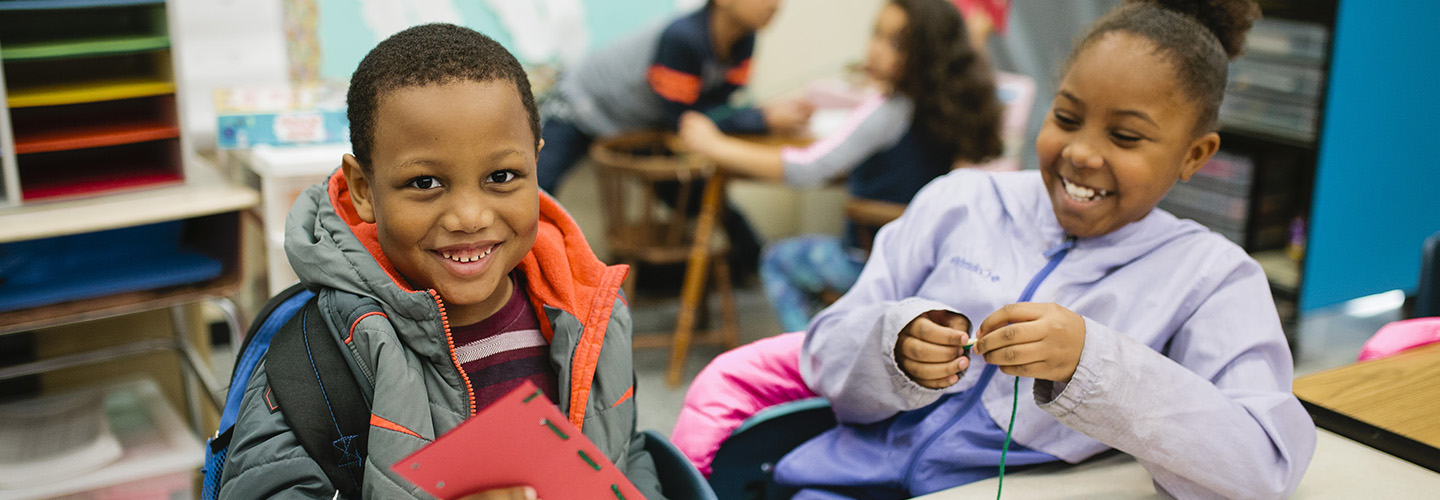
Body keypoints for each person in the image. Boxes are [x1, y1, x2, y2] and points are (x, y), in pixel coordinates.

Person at [681, 1, 1319, 498]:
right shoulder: (960, 202)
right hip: (834, 485)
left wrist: (1094, 366)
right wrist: (892, 346)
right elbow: (823, 352)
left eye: (1126, 136)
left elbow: (1262, 468)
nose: (1081, 152)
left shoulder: (1212, 280)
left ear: (1194, 156)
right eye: (1066, 118)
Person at [218, 24, 664, 499]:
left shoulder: (589, 315)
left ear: (536, 165)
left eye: (502, 175)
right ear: (364, 190)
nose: (470, 218)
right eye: (425, 183)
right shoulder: (319, 359)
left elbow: (623, 454)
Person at [678, 0, 1003, 333]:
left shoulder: (888, 113)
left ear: (927, 53)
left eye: (894, 43)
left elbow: (808, 167)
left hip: (868, 261)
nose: (875, 50)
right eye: (876, 34)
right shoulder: (947, 111)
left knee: (775, 259)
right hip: (924, 264)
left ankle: (810, 353)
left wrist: (715, 146)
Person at [540, 0, 811, 281]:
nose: (776, 4)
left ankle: (755, 261)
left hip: (641, 121)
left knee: (698, 195)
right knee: (538, 191)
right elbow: (685, 120)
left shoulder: (745, 38)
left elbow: (717, 107)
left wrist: (760, 118)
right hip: (581, 104)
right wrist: (761, 119)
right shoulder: (682, 38)